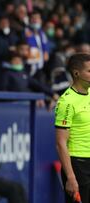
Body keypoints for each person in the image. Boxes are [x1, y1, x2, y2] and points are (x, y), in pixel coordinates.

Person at [55, 53, 90, 203]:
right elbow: (61, 143)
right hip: (78, 164)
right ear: (76, 73)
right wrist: (70, 177)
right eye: (89, 71)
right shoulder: (66, 102)